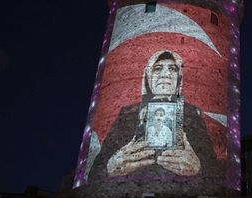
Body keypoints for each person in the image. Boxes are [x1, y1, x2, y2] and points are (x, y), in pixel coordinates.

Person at [88, 50, 222, 181]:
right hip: (128, 195)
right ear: (148, 75)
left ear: (179, 77)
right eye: (158, 69)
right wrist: (112, 167)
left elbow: (215, 172)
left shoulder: (191, 113)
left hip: (181, 196)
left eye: (173, 69)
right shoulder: (128, 113)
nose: (166, 74)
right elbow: (94, 173)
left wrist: (198, 168)